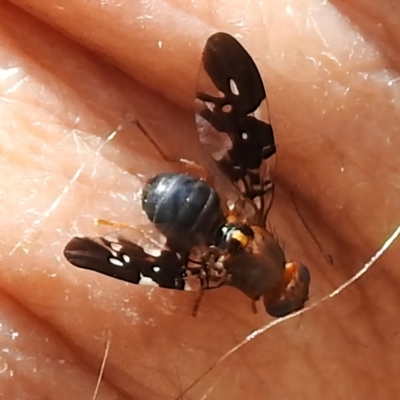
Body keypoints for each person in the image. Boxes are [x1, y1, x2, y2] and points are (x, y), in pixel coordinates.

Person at [2, 0, 399, 398]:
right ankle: (131, 223)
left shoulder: (255, 202)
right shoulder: (211, 273)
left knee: (207, 172)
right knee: (156, 260)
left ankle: (159, 174)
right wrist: (134, 255)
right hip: (187, 225)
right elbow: (157, 266)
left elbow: (244, 135)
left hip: (203, 199)